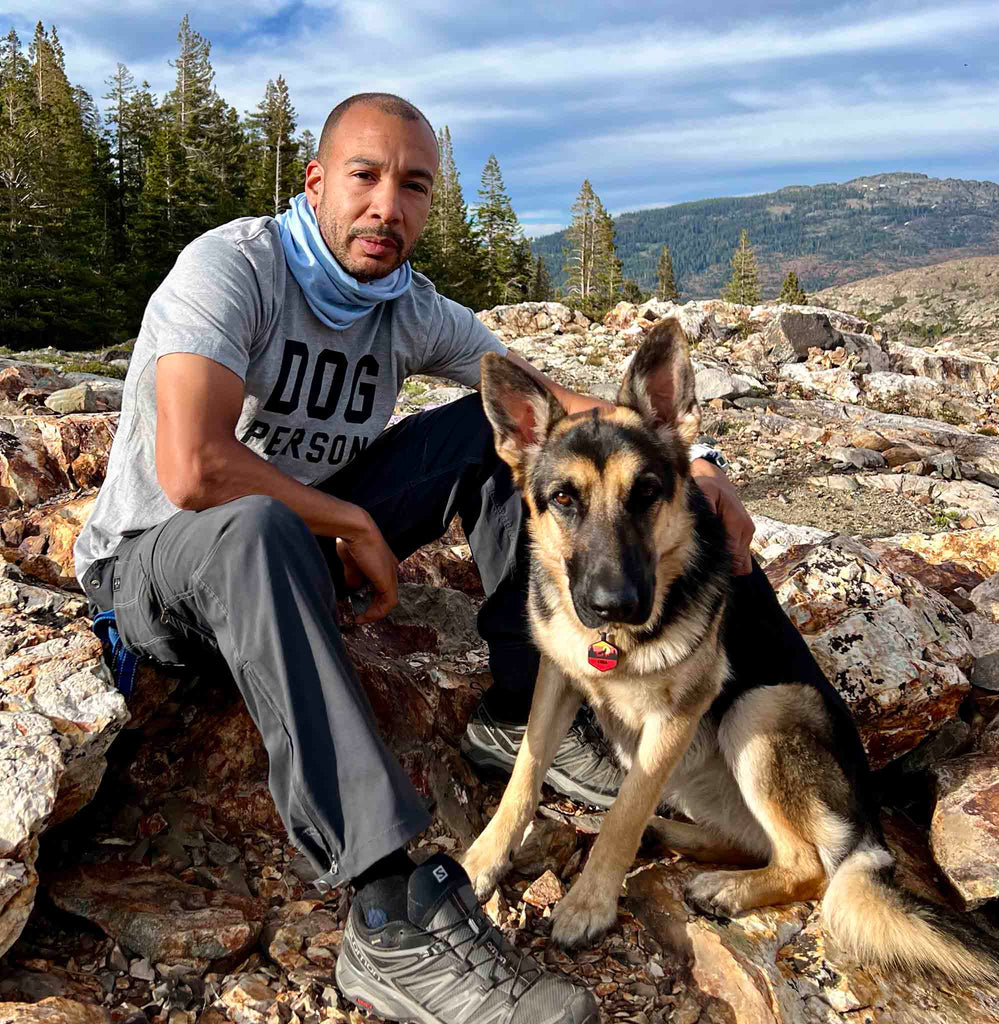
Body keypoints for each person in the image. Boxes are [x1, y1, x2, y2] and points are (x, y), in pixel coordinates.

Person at [74, 92, 769, 1024]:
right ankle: (387, 910)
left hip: (299, 550)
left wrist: (699, 460)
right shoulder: (232, 269)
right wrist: (351, 526)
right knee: (259, 526)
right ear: (316, 182)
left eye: (413, 186)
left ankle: (523, 713)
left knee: (500, 437)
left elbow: (550, 412)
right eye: (364, 177)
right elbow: (194, 468)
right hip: (165, 569)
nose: (386, 207)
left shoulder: (408, 307)